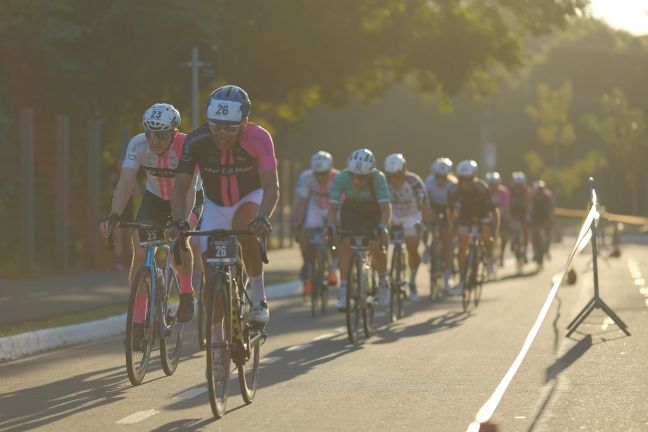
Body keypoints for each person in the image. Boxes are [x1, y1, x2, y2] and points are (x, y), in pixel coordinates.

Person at [171, 85, 278, 337]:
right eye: (215, 126)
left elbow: (271, 186)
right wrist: (179, 221)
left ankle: (259, 297)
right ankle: (218, 340)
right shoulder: (196, 140)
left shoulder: (259, 138)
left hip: (250, 197)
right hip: (216, 205)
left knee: (246, 227)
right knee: (211, 280)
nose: (220, 134)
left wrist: (263, 216)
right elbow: (180, 188)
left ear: (244, 122)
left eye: (229, 128)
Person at [100, 104, 202, 336]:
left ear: (175, 133)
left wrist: (182, 222)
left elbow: (189, 190)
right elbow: (126, 181)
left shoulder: (187, 146)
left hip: (187, 195)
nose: (154, 140)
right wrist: (114, 213)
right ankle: (138, 320)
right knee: (139, 249)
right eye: (149, 133)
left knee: (180, 241)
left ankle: (186, 292)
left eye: (162, 135)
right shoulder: (138, 144)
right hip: (155, 197)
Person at [327, 149, 391, 310]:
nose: (356, 180)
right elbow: (333, 209)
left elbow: (385, 209)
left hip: (373, 211)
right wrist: (333, 226)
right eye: (353, 176)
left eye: (361, 177)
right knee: (346, 244)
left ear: (370, 174)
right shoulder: (341, 178)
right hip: (352, 209)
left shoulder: (378, 178)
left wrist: (382, 228)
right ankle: (343, 291)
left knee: (375, 245)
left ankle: (383, 282)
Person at [383, 153, 432, 299]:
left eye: (398, 175)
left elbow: (424, 204)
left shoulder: (414, 181)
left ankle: (412, 281)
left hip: (411, 215)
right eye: (391, 176)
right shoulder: (383, 182)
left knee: (412, 245)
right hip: (392, 214)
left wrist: (425, 222)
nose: (394, 180)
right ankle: (384, 277)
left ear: (404, 171)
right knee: (381, 243)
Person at [292, 151, 340, 297]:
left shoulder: (338, 177)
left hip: (333, 206)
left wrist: (336, 224)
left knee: (338, 234)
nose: (320, 177)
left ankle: (333, 269)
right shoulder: (306, 177)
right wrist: (298, 221)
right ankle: (308, 265)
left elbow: (342, 204)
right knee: (303, 232)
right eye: (317, 173)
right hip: (316, 207)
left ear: (330, 169)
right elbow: (301, 202)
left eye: (324, 173)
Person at [448, 160, 498, 294]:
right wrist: (453, 226)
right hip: (465, 216)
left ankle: (488, 258)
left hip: (482, 214)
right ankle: (463, 278)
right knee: (462, 242)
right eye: (462, 179)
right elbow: (451, 212)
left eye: (469, 179)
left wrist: (495, 230)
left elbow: (494, 211)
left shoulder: (482, 188)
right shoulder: (454, 190)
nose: (465, 183)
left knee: (486, 235)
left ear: (474, 177)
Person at [424, 157, 457, 293]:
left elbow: (454, 209)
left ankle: (447, 277)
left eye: (443, 177)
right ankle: (426, 247)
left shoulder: (453, 185)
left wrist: (450, 224)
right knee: (424, 224)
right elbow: (424, 202)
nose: (441, 179)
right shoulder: (429, 182)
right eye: (438, 176)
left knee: (447, 242)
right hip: (433, 206)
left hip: (447, 209)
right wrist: (428, 215)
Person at [485, 172, 510, 267]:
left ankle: (502, 255)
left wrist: (506, 217)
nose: (492, 187)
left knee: (504, 235)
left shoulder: (503, 192)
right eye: (490, 184)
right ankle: (488, 256)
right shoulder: (485, 192)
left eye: (494, 185)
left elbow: (505, 206)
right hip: (488, 216)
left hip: (501, 216)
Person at [509, 171, 532, 263]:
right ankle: (512, 240)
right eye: (517, 185)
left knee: (525, 229)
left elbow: (529, 204)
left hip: (523, 212)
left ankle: (525, 250)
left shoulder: (527, 191)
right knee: (510, 227)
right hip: (514, 213)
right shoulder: (511, 191)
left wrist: (527, 213)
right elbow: (508, 203)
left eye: (520, 185)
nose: (518, 187)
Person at [530, 180, 555, 265]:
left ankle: (547, 250)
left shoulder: (547, 197)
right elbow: (531, 209)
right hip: (536, 219)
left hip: (545, 218)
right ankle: (535, 251)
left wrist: (550, 219)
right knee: (534, 234)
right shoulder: (534, 197)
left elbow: (550, 209)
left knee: (548, 235)